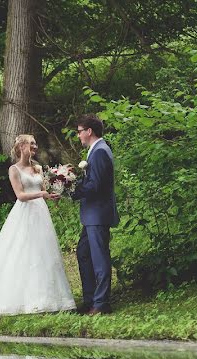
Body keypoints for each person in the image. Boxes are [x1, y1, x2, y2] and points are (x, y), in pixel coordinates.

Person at [0, 135, 76, 315]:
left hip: (41, 213)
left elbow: (43, 190)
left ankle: (47, 298)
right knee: (23, 251)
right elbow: (20, 195)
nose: (35, 146)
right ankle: (21, 299)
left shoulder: (38, 168)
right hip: (24, 213)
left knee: (43, 252)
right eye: (31, 143)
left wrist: (55, 190)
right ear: (21, 146)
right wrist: (41, 194)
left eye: (36, 143)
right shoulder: (14, 169)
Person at [73, 115, 119, 315]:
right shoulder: (96, 151)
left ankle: (101, 304)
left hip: (98, 214)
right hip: (91, 215)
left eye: (79, 131)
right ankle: (90, 299)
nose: (78, 135)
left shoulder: (100, 151)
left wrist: (72, 190)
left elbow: (96, 185)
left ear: (89, 131)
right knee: (83, 253)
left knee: (99, 259)